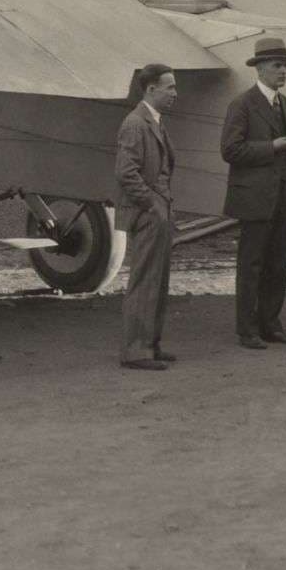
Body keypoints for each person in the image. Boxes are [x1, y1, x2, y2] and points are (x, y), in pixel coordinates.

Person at [220, 35, 286, 350]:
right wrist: (272, 147)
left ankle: (271, 324)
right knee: (252, 263)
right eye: (276, 65)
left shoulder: (284, 103)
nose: (283, 71)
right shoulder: (242, 104)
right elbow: (229, 150)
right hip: (255, 198)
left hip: (282, 197)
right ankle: (247, 330)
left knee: (278, 262)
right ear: (259, 69)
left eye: (285, 66)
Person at [115, 63, 181, 370]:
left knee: (158, 280)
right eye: (169, 87)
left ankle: (150, 345)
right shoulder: (135, 123)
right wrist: (152, 204)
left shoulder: (152, 121)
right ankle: (136, 351)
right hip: (149, 213)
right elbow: (126, 173)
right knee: (145, 281)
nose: (174, 93)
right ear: (151, 89)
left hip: (159, 211)